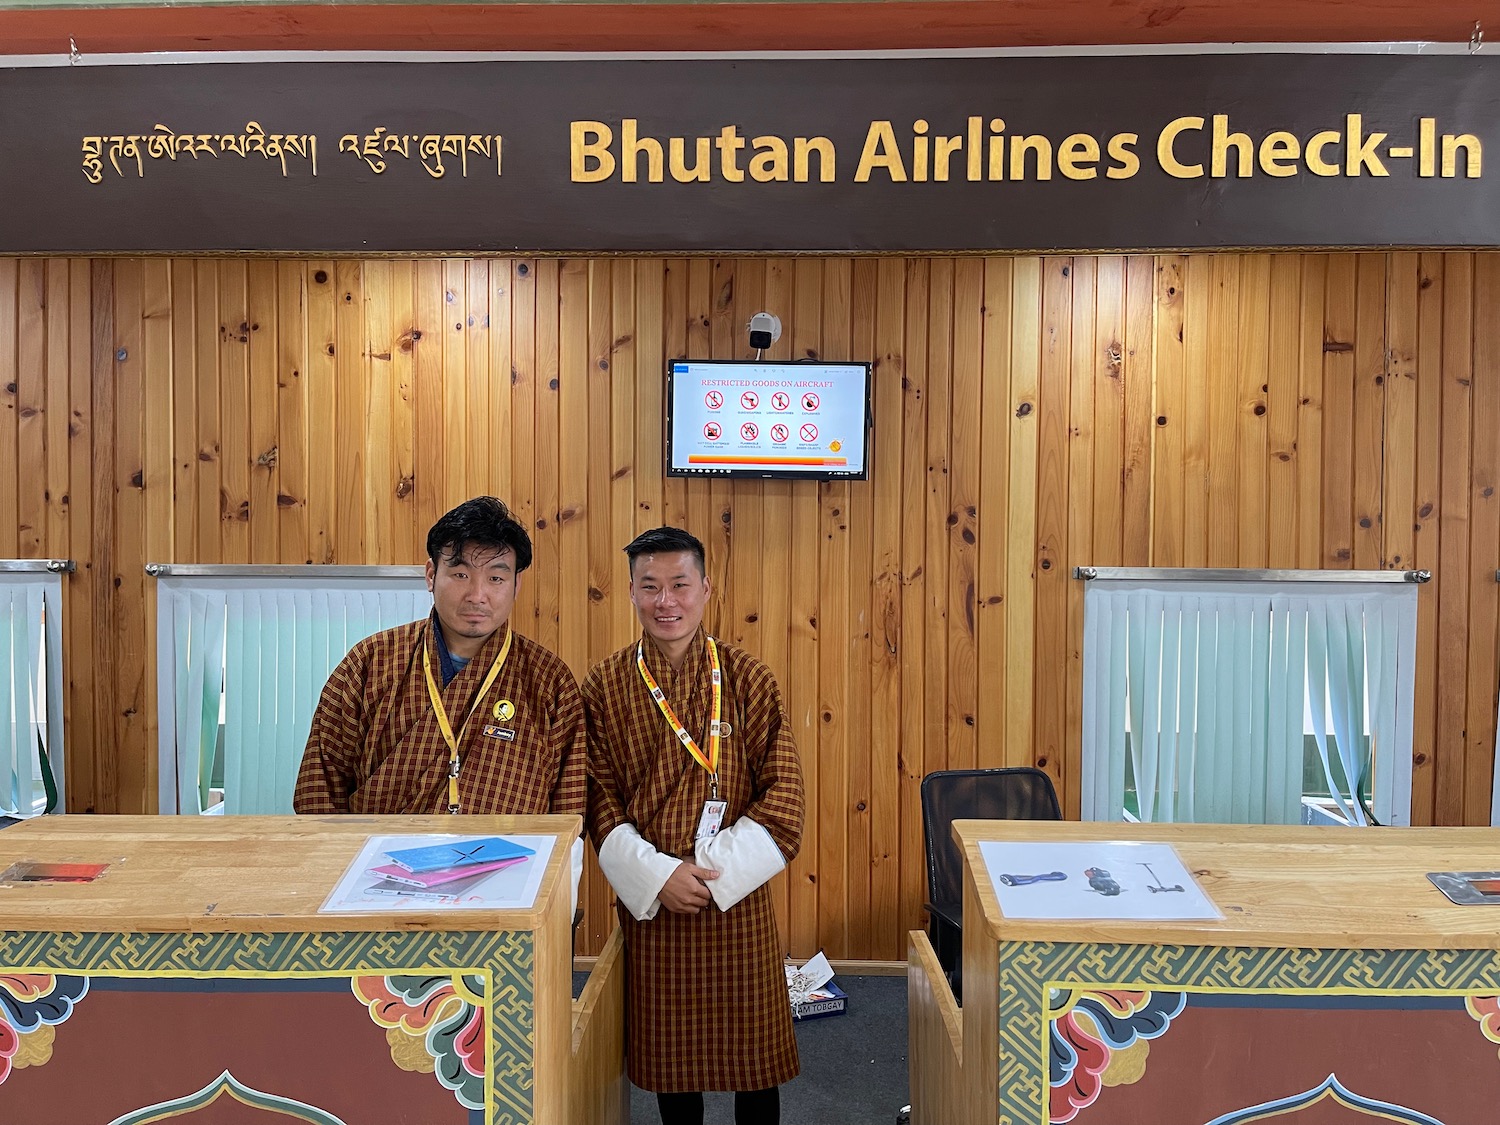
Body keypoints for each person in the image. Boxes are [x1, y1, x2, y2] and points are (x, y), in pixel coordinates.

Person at [584, 527, 804, 1125]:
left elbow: (783, 797)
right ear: (630, 592)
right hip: (657, 901)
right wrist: (658, 876)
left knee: (755, 1065)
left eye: (680, 584)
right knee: (671, 1067)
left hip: (737, 898)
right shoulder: (603, 687)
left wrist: (712, 875)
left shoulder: (749, 678)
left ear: (706, 589)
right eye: (650, 586)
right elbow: (598, 799)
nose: (666, 601)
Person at [293, 497, 586, 896]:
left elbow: (568, 814)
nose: (478, 594)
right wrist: (343, 887)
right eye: (461, 574)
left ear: (516, 584)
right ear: (431, 574)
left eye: (496, 578)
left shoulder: (549, 681)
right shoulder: (369, 664)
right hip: (376, 885)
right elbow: (318, 791)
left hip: (506, 891)